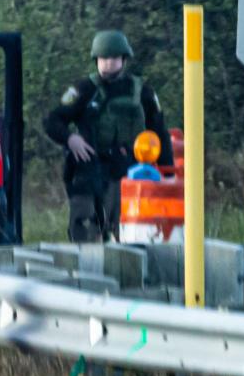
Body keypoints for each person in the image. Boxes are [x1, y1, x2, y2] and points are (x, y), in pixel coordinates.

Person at [43, 30, 174, 242]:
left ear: (123, 58)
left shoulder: (142, 92)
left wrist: (168, 175)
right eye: (103, 58)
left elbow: (159, 133)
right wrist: (70, 138)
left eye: (113, 58)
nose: (107, 63)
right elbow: (52, 120)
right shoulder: (84, 89)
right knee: (84, 229)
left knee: (123, 231)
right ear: (96, 59)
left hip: (128, 171)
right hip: (88, 168)